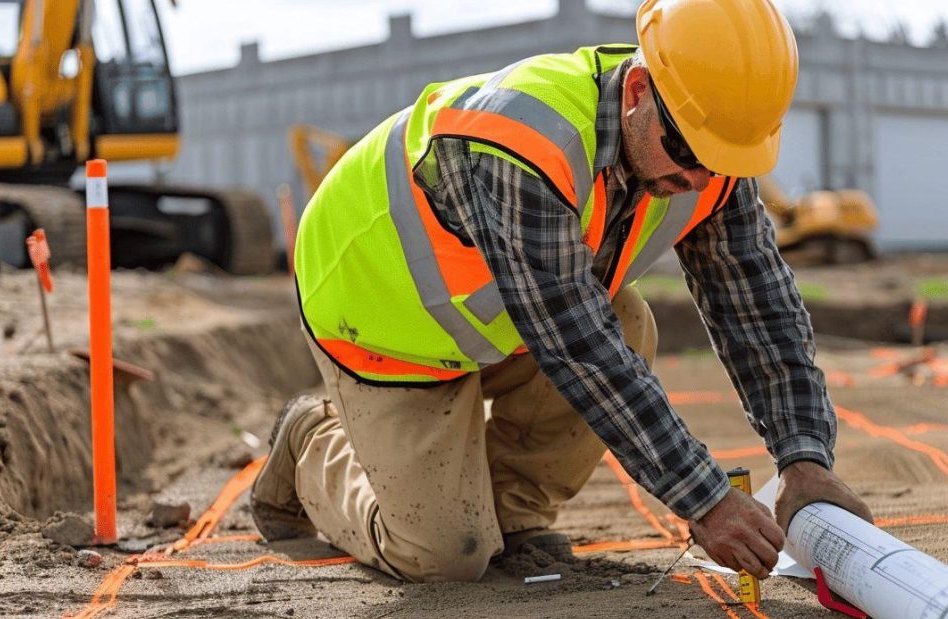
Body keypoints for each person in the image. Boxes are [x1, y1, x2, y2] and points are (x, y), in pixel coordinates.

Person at [251, 0, 873, 583]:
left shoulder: (709, 160)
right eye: (687, 150)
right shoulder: (524, 143)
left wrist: (804, 458)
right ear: (636, 93)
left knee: (627, 320)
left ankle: (514, 512)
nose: (697, 177)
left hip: (498, 317)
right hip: (381, 318)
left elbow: (759, 308)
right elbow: (578, 345)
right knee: (443, 559)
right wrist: (708, 501)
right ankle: (313, 441)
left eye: (723, 159)